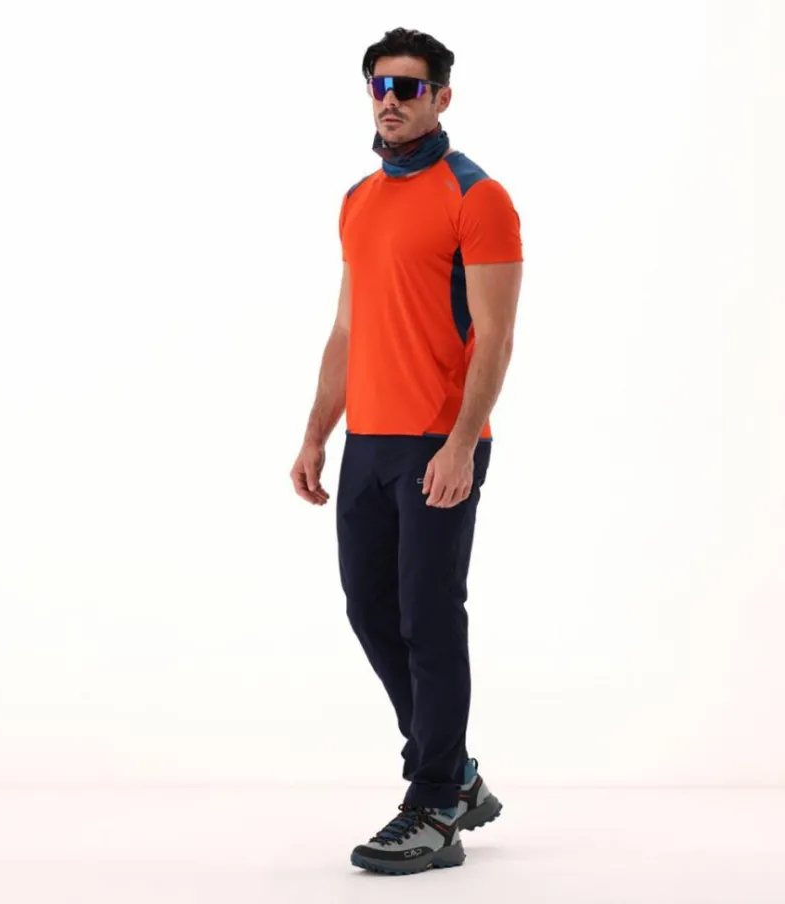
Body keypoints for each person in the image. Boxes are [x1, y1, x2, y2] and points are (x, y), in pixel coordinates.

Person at [290, 27, 523, 876]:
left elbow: (495, 336)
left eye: (409, 87)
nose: (390, 99)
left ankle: (432, 804)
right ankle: (451, 770)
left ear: (441, 97)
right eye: (379, 85)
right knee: (370, 609)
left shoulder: (477, 196)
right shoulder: (359, 198)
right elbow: (347, 329)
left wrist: (461, 443)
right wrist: (317, 431)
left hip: (438, 442)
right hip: (367, 444)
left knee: (429, 618)